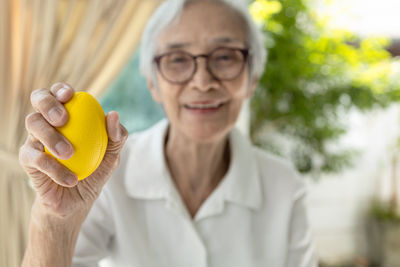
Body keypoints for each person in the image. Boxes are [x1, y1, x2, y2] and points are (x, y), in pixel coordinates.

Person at [19, 0, 318, 266]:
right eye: (177, 59)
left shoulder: (285, 189)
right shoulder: (105, 177)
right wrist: (54, 218)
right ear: (153, 82)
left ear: (252, 79)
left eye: (225, 57)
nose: (202, 81)